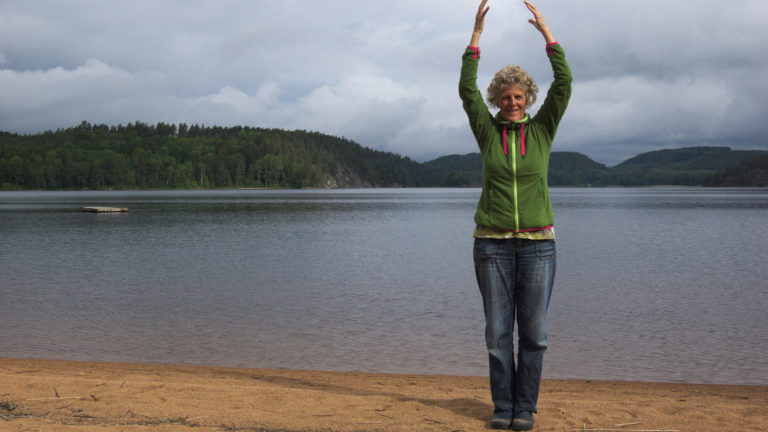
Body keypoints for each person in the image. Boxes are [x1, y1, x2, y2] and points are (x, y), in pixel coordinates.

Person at [459, 0, 572, 430]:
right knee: (497, 335)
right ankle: (502, 406)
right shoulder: (486, 131)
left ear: (527, 99)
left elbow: (565, 84)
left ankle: (525, 406)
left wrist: (548, 35)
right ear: (497, 100)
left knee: (536, 335)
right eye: (504, 97)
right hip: (491, 244)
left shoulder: (542, 129)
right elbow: (466, 91)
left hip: (539, 245)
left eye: (518, 96)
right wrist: (475, 38)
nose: (511, 102)